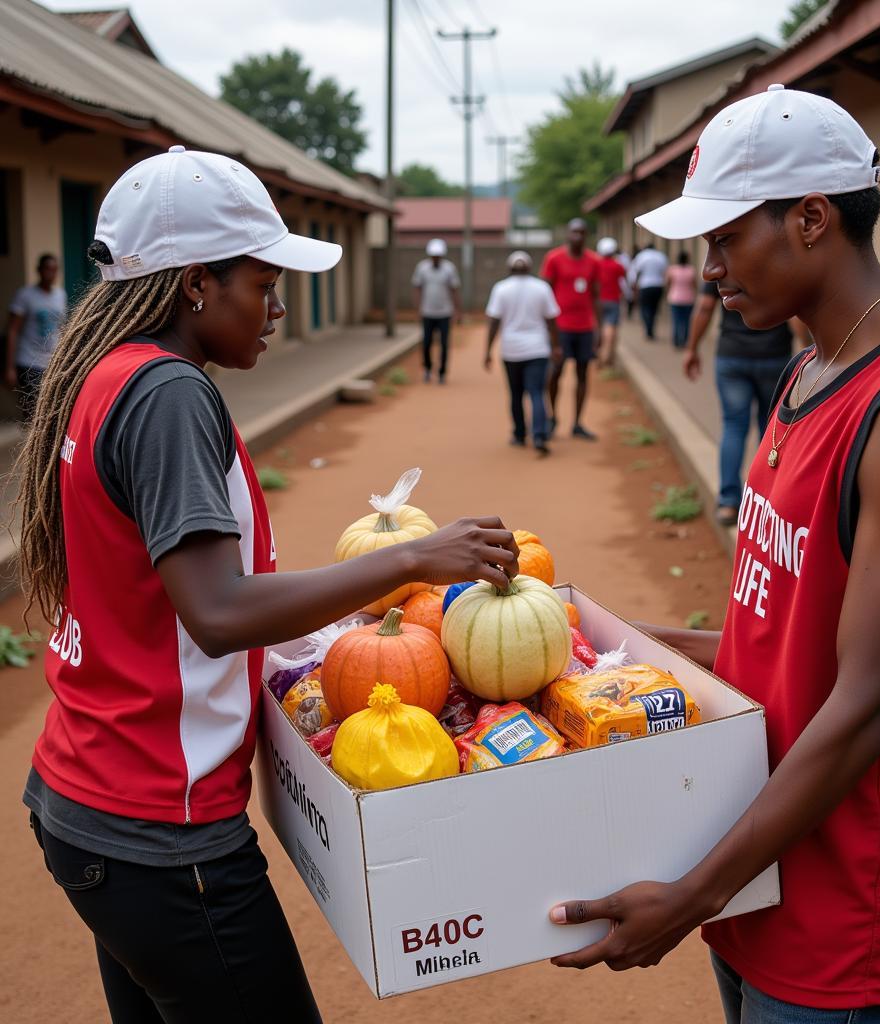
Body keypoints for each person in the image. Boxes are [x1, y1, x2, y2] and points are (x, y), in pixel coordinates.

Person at [16, 146, 519, 1024]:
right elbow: (214, 613)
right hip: (162, 835)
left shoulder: (110, 375)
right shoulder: (167, 395)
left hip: (90, 802)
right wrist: (410, 558)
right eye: (263, 278)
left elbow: (166, 599)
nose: (279, 303)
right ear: (195, 285)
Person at [548, 85, 880, 1024]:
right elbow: (776, 637)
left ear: (809, 220)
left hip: (833, 908)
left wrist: (693, 893)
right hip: (756, 867)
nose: (707, 268)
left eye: (723, 239)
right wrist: (598, 632)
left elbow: (869, 703)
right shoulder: (807, 372)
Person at [685, 278, 803, 526]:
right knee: (771, 431)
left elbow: (705, 306)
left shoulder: (723, 264)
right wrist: (809, 351)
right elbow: (794, 314)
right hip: (774, 357)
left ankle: (729, 503)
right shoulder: (775, 260)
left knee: (733, 426)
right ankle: (768, 501)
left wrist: (692, 348)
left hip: (732, 356)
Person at [484, 250, 560, 456]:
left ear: (510, 269)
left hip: (511, 350)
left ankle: (519, 434)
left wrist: (488, 350)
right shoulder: (541, 287)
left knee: (516, 394)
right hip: (537, 349)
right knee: (537, 392)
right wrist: (556, 346)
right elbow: (552, 319)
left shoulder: (501, 288)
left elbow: (494, 322)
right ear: (529, 267)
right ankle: (539, 435)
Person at [540, 218, 601, 440]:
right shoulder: (554, 258)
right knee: (555, 372)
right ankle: (552, 417)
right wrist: (545, 326)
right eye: (574, 232)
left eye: (582, 233)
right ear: (567, 234)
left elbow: (596, 296)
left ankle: (577, 423)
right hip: (560, 328)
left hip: (584, 327)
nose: (577, 236)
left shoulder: (593, 261)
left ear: (586, 236)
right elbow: (544, 292)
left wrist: (599, 329)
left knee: (583, 374)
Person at [5, 253, 67, 422]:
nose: (50, 273)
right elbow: (12, 330)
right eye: (47, 269)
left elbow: (62, 328)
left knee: (51, 409)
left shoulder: (60, 295)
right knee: (33, 412)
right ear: (39, 270)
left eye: (54, 270)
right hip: (29, 361)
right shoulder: (25, 295)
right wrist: (9, 367)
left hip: (52, 362)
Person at [411, 237, 461, 383]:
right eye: (433, 256)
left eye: (438, 256)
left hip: (445, 313)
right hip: (427, 312)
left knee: (444, 344)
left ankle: (442, 372)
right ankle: (427, 368)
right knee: (426, 343)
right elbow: (417, 289)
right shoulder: (422, 268)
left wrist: (457, 311)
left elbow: (455, 290)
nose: (436, 259)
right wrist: (417, 309)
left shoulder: (449, 269)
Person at [595, 236, 628, 367]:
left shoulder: (596, 264)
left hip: (598, 300)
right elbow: (624, 280)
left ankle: (600, 352)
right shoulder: (617, 265)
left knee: (599, 326)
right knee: (611, 327)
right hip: (613, 300)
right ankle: (607, 354)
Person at [628, 242, 669, 339]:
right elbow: (665, 272)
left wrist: (634, 284)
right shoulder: (661, 256)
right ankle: (651, 328)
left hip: (645, 285)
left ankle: (648, 328)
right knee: (654, 309)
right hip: (658, 285)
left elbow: (637, 272)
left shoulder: (642, 256)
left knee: (645, 308)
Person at [665, 250, 697, 350]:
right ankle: (685, 341)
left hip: (675, 298)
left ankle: (676, 341)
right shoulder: (691, 270)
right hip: (688, 299)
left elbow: (667, 283)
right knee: (687, 322)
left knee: (676, 321)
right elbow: (694, 285)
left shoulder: (672, 270)